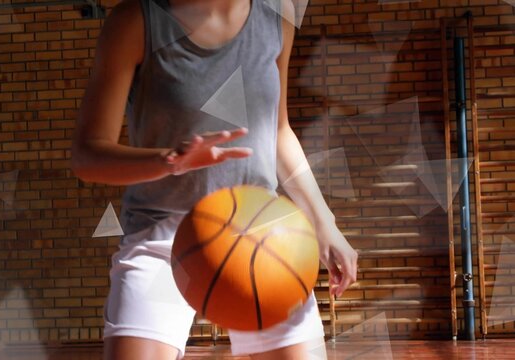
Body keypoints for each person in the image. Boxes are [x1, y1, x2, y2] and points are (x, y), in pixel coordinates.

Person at [71, 0, 358, 358]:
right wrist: (171, 160)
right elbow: (87, 156)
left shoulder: (277, 15)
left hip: (263, 236)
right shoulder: (137, 21)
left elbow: (278, 131)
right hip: (164, 237)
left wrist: (324, 222)